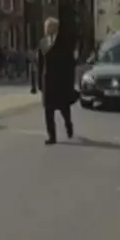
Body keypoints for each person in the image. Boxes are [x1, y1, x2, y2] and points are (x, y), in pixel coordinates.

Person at [38, 8, 77, 145]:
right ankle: (52, 136)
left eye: (51, 27)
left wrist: (69, 83)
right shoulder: (43, 43)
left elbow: (69, 63)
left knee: (63, 108)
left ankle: (68, 125)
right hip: (47, 82)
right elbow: (40, 63)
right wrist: (38, 83)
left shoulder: (63, 43)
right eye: (46, 27)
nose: (48, 29)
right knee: (48, 111)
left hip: (60, 82)